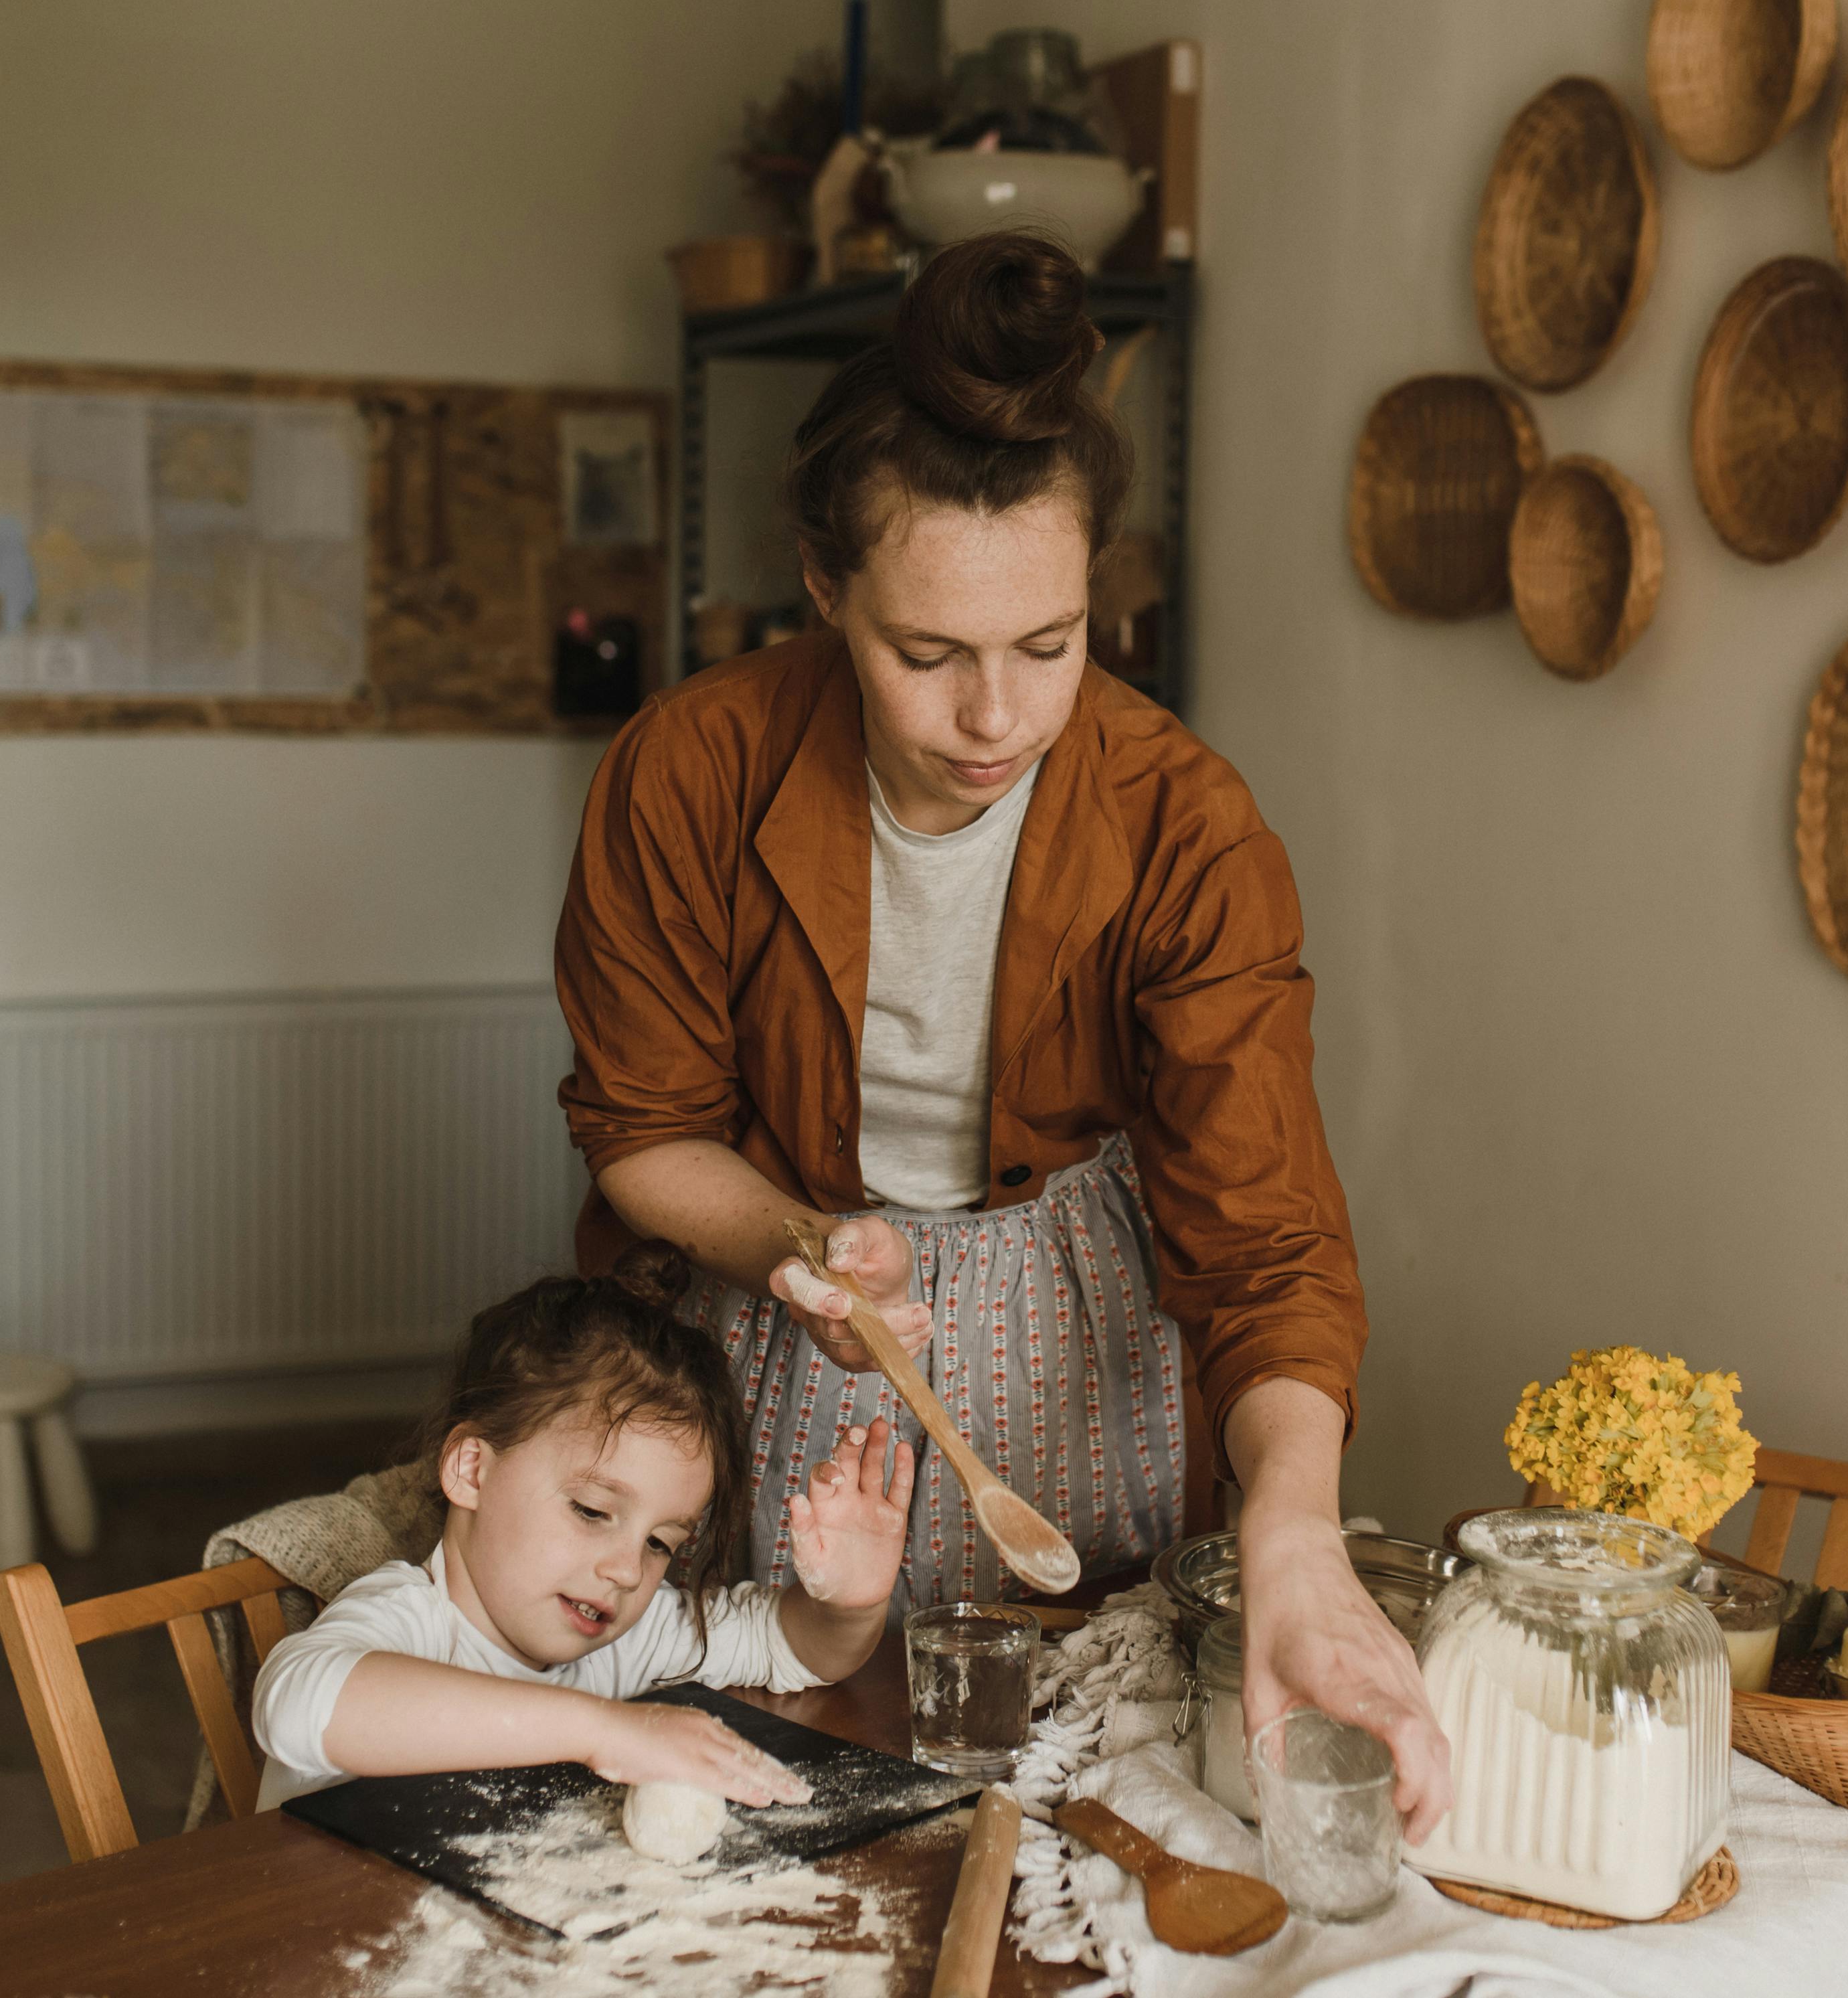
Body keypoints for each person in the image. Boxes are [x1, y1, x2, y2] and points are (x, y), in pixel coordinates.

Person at [553, 230, 1450, 1837]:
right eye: (927, 652)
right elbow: (641, 1127)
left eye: (1049, 644)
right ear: (825, 588)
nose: (996, 719)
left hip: (1074, 1315)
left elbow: (1265, 1248)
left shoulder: (1186, 825)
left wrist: (1295, 1535)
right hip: (777, 1297)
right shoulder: (691, 768)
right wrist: (797, 1237)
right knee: (776, 1747)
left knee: (1047, 1776)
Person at [249, 1246, 913, 1808]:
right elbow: (299, 1702)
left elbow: (790, 1646)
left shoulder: (627, 1631)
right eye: (592, 1511)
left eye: (661, 1542)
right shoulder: (411, 1621)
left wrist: (849, 1602)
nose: (628, 1570)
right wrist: (607, 1729)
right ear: (473, 1468)